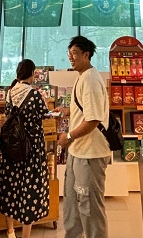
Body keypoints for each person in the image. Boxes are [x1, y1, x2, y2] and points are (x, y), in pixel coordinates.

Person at [58, 36, 111, 238]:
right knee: (72, 204)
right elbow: (85, 110)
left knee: (90, 209)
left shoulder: (90, 79)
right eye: (69, 53)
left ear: (86, 55)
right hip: (78, 152)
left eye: (75, 53)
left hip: (90, 154)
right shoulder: (82, 77)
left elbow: (93, 119)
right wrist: (68, 111)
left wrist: (69, 136)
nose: (71, 57)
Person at [0, 59, 51, 238]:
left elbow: (7, 113)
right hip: (31, 149)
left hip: (12, 147)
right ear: (32, 74)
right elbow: (45, 114)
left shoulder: (10, 93)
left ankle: (10, 231)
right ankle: (26, 235)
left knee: (10, 188)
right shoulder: (34, 95)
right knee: (30, 190)